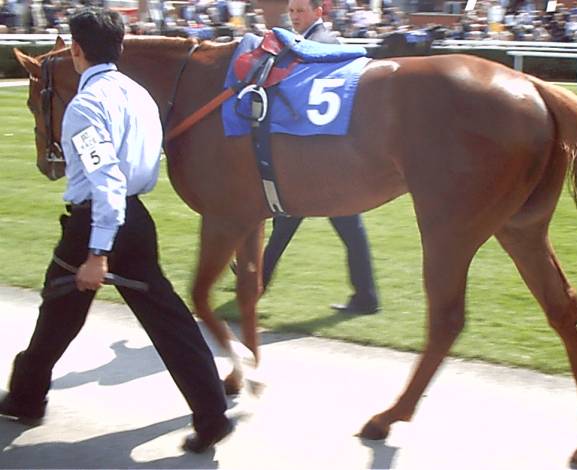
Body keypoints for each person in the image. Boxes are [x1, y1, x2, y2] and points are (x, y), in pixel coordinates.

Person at [0, 8, 232, 453]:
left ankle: (26, 397)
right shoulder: (139, 95)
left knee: (60, 306)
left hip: (98, 222)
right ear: (120, 46)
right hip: (136, 217)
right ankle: (212, 412)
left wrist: (98, 253)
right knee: (160, 318)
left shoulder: (85, 107)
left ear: (76, 50)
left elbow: (106, 181)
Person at [261, 0, 380, 315]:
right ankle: (366, 296)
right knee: (331, 223)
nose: (295, 16)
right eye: (292, 11)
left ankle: (257, 278)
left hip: (322, 153)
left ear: (318, 12)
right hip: (322, 151)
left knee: (292, 218)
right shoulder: (308, 41)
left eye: (301, 11)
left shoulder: (320, 43)